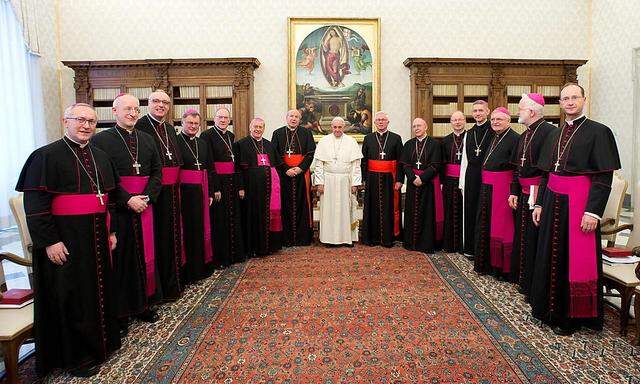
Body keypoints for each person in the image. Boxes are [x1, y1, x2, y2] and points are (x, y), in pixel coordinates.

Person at [16, 103, 121, 377]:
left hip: (96, 236)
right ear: (66, 121)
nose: (86, 126)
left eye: (91, 121)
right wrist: (49, 241)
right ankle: (74, 356)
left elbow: (107, 199)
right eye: (80, 120)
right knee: (71, 295)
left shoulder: (100, 156)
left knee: (95, 289)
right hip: (65, 240)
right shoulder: (45, 156)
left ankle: (102, 343)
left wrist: (110, 231)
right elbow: (36, 206)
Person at [530, 83, 621, 336]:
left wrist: (593, 212)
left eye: (574, 98)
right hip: (552, 201)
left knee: (573, 260)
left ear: (584, 99)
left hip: (579, 204)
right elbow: (547, 173)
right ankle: (548, 309)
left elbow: (604, 176)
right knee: (550, 254)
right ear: (560, 103)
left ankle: (573, 317)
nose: (570, 102)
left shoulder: (599, 132)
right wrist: (538, 203)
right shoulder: (555, 134)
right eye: (565, 99)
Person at [92, 93, 163, 332]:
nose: (132, 113)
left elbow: (157, 172)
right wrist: (127, 200)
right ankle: (121, 312)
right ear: (114, 111)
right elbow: (102, 178)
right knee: (121, 260)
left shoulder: (147, 139)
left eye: (136, 109)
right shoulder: (101, 141)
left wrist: (148, 197)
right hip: (119, 209)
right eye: (127, 109)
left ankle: (143, 304)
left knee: (144, 257)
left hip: (145, 204)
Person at [135, 89, 184, 301]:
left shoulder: (171, 130)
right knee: (156, 241)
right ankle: (158, 290)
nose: (161, 105)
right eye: (156, 101)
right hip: (154, 194)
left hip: (173, 192)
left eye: (165, 102)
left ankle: (173, 284)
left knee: (172, 237)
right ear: (148, 103)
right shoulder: (139, 128)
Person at [508, 94, 555, 292]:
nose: (517, 112)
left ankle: (534, 285)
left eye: (520, 109)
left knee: (535, 239)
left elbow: (547, 172)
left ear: (532, 112)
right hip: (524, 192)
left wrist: (540, 201)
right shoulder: (525, 134)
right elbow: (518, 168)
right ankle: (523, 279)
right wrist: (514, 192)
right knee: (523, 236)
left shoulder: (550, 133)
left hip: (540, 195)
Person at [473, 107, 520, 278]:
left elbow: (516, 169)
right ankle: (485, 264)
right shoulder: (494, 137)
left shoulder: (515, 138)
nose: (495, 122)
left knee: (501, 228)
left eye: (499, 119)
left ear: (508, 120)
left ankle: (501, 269)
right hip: (487, 188)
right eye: (493, 120)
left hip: (502, 190)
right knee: (485, 224)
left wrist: (513, 191)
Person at [200, 107, 245, 266]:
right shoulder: (207, 135)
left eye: (226, 118)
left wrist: (240, 186)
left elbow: (236, 163)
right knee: (220, 220)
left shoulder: (231, 135)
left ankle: (234, 254)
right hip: (219, 182)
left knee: (233, 217)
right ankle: (221, 257)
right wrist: (215, 188)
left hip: (232, 182)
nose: (223, 120)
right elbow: (209, 163)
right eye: (220, 117)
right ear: (214, 119)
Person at [176, 109, 215, 283]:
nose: (193, 126)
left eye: (196, 124)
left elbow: (210, 169)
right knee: (187, 231)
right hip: (183, 193)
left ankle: (200, 268)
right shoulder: (175, 142)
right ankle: (188, 270)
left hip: (201, 191)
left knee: (200, 229)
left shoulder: (202, 143)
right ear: (182, 123)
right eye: (190, 123)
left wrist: (211, 192)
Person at [235, 118, 283, 256]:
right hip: (250, 189)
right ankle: (252, 248)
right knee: (251, 217)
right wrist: (240, 187)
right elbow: (237, 169)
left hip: (268, 190)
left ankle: (266, 246)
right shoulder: (241, 144)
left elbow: (276, 166)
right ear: (250, 127)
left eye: (260, 127)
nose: (258, 129)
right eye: (255, 126)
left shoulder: (269, 145)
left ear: (264, 128)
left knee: (266, 216)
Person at [313, 117, 363, 246]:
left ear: (344, 127)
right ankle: (328, 239)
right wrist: (320, 182)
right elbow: (319, 165)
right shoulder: (324, 141)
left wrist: (355, 183)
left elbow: (356, 165)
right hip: (328, 180)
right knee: (328, 211)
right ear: (331, 127)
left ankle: (347, 239)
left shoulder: (351, 142)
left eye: (340, 127)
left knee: (346, 210)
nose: (337, 130)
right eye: (335, 127)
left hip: (345, 180)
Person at [271, 109, 316, 246]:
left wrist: (300, 168)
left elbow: (310, 154)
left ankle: (303, 238)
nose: (294, 119)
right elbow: (275, 154)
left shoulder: (306, 133)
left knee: (303, 204)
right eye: (291, 116)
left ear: (300, 119)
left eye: (297, 117)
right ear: (286, 118)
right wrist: (286, 169)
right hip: (284, 175)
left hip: (302, 175)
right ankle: (286, 238)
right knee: (284, 204)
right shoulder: (278, 133)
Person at [361, 111, 404, 247]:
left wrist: (399, 180)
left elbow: (401, 161)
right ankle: (371, 238)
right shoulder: (368, 138)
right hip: (372, 178)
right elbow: (364, 160)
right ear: (374, 122)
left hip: (389, 179)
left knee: (389, 207)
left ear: (387, 122)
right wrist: (363, 179)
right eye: (378, 120)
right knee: (371, 207)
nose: (380, 122)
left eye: (383, 120)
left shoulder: (396, 138)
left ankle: (388, 238)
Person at [400, 118, 443, 253]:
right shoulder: (408, 144)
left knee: (427, 213)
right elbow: (405, 164)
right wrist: (413, 178)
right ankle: (410, 243)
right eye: (414, 126)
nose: (416, 128)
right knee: (411, 212)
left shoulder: (435, 144)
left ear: (426, 127)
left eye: (419, 126)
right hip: (413, 184)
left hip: (428, 184)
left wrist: (422, 178)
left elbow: (436, 165)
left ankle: (425, 244)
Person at [459, 100, 492, 258]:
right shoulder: (469, 133)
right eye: (475, 111)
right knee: (470, 211)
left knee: (485, 213)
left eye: (481, 110)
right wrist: (462, 183)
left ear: (487, 111)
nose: (478, 113)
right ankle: (471, 249)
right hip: (471, 176)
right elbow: (464, 160)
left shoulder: (494, 130)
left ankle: (484, 251)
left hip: (487, 176)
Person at [441, 111, 466, 253]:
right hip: (449, 181)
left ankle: (463, 245)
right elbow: (442, 163)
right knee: (449, 211)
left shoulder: (470, 137)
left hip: (465, 180)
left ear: (464, 121)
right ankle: (449, 244)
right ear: (451, 122)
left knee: (464, 211)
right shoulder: (445, 140)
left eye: (460, 120)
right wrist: (442, 182)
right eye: (454, 120)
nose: (457, 122)